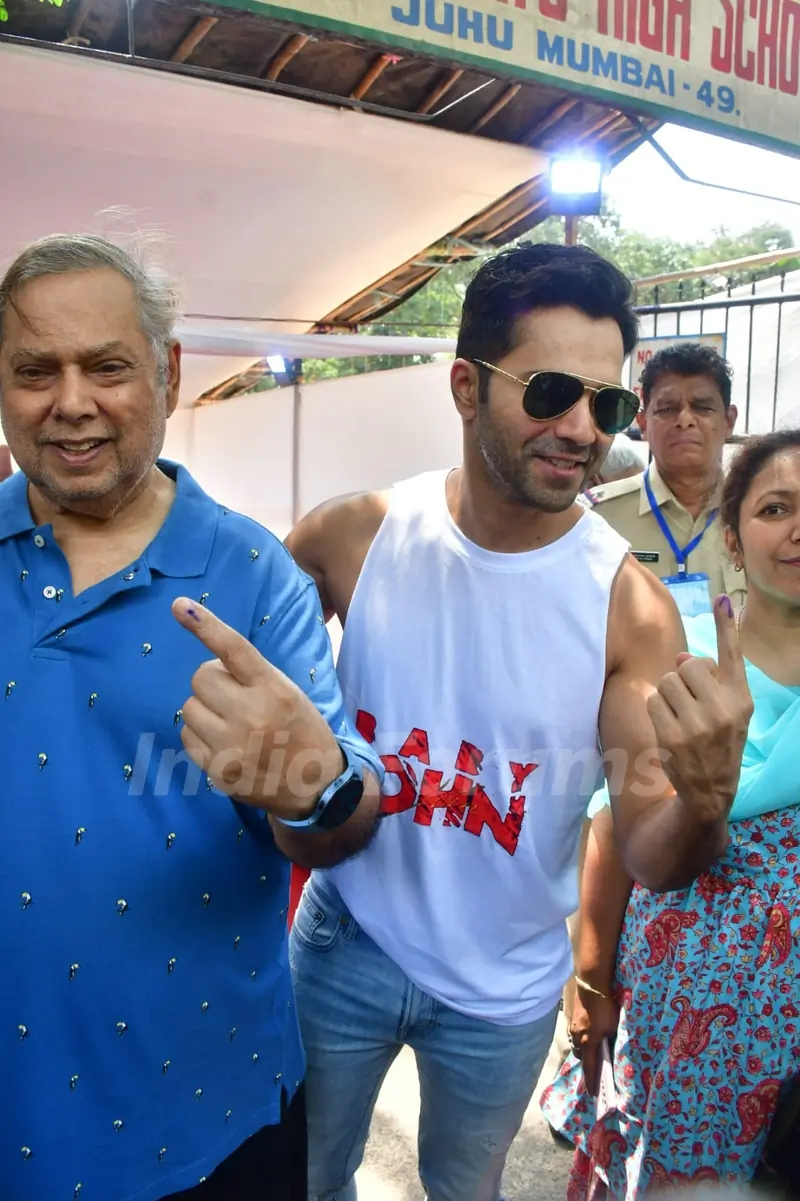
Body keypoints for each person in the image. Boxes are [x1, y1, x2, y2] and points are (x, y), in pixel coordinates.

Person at [284, 242, 753, 1201]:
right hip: (345, 943)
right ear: (466, 384)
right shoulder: (351, 538)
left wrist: (706, 802)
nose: (582, 429)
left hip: (502, 995)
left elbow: (655, 850)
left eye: (608, 406)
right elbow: (253, 708)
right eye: (550, 392)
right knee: (301, 1181)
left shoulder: (632, 610)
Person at [0, 234, 384, 1201]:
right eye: (36, 370)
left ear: (168, 374)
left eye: (109, 366)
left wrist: (319, 784)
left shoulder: (256, 578)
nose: (72, 400)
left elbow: (335, 814)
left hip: (209, 1125)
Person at [542, 428, 800, 1198]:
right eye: (775, 508)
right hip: (687, 1017)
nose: (798, 529)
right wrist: (588, 982)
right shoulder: (679, 666)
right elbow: (612, 824)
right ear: (731, 535)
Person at [585, 342, 743, 616]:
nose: (684, 420)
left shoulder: (756, 515)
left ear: (729, 421)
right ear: (643, 424)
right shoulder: (597, 519)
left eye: (702, 407)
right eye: (667, 409)